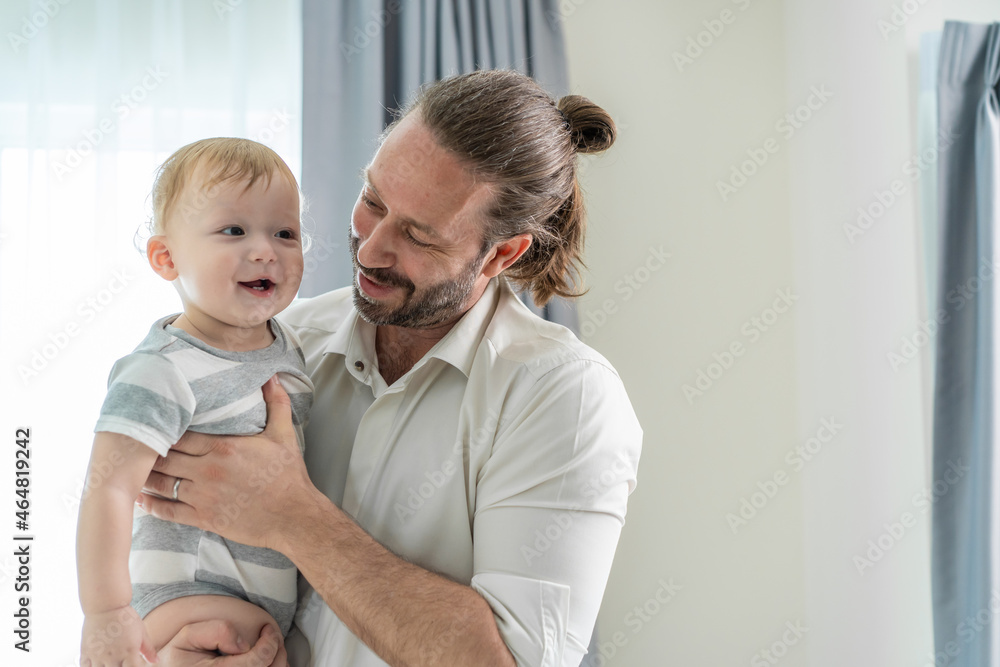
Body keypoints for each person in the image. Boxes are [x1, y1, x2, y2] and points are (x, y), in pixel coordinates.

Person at [138, 69, 642, 667]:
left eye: (419, 236)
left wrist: (295, 517)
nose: (372, 248)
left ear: (502, 254)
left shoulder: (565, 397)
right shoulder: (280, 344)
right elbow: (164, 550)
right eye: (373, 200)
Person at [77, 138, 314, 667]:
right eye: (234, 231)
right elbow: (108, 486)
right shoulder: (163, 368)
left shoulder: (290, 344)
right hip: (184, 600)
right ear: (167, 258)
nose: (264, 250)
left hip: (262, 610)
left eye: (285, 233)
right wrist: (107, 612)